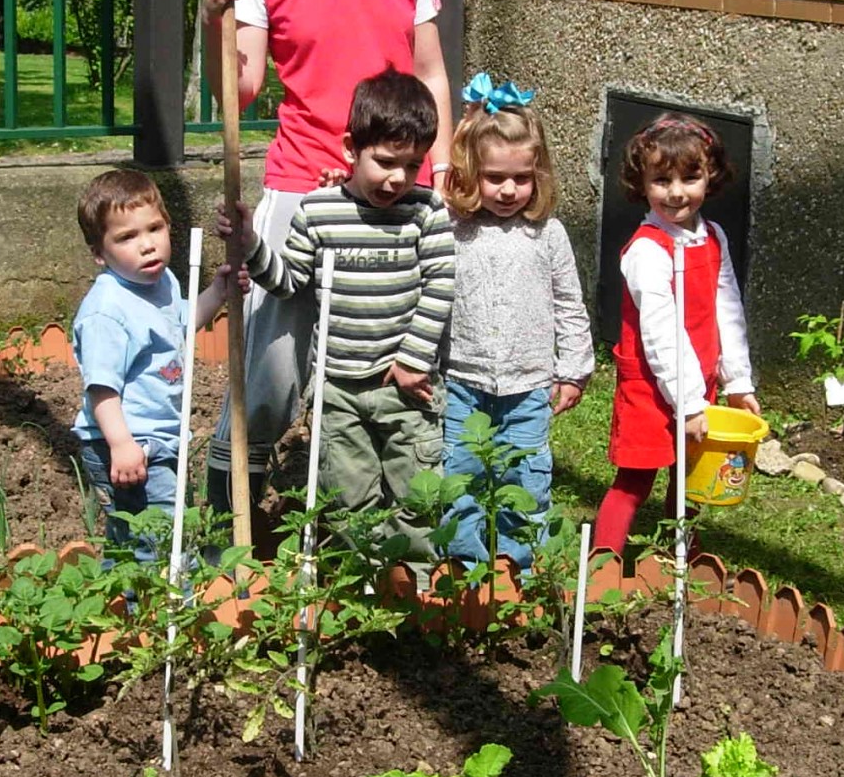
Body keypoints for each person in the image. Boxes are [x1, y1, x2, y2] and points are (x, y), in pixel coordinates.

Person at [199, 0, 454, 525]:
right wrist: (212, 12)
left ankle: (374, 534)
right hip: (302, 192)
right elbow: (238, 90)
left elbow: (433, 73)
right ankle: (226, 523)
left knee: (390, 377)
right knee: (272, 381)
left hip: (396, 198)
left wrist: (431, 176)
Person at [214, 70, 453, 559]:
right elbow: (287, 282)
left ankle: (415, 589)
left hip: (403, 385)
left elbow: (441, 286)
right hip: (338, 387)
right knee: (348, 496)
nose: (398, 178)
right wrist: (250, 244)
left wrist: (413, 359)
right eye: (385, 162)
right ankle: (362, 586)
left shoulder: (427, 213)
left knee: (417, 492)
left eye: (412, 165)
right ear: (350, 149)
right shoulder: (318, 211)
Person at [439, 74, 594, 569]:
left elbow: (570, 303)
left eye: (521, 178)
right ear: (470, 173)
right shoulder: (452, 230)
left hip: (529, 387)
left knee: (525, 478)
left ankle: (517, 564)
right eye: (494, 177)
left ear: (538, 175)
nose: (508, 190)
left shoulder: (547, 235)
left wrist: (573, 369)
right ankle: (464, 564)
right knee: (460, 474)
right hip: (463, 380)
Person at [591, 115, 760, 559]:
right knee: (634, 480)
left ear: (711, 176)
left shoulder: (714, 238)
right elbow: (661, 331)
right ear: (641, 182)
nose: (676, 192)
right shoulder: (648, 250)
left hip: (698, 382)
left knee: (690, 476)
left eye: (690, 177)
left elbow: (728, 310)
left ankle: (680, 556)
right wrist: (686, 403)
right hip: (652, 387)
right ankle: (603, 563)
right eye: (662, 180)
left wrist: (737, 381)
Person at [70, 170, 241, 558]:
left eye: (154, 228)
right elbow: (102, 389)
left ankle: (121, 609)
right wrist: (122, 444)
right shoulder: (107, 312)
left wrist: (219, 291)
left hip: (158, 440)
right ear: (99, 253)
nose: (147, 245)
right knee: (164, 543)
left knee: (131, 545)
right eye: (127, 237)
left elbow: (180, 325)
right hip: (127, 443)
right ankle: (173, 610)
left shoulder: (161, 283)